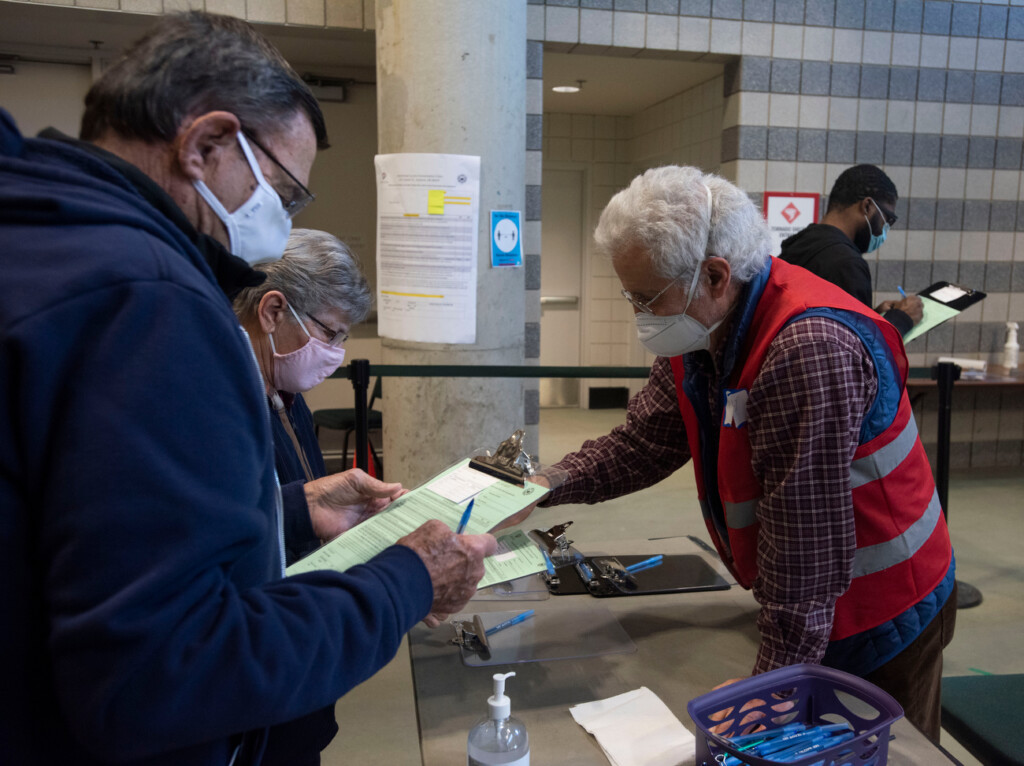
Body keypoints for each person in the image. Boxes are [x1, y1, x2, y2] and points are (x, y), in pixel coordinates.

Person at [0, 12, 495, 766]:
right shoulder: (149, 299)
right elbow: (163, 672)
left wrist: (287, 510)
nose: (284, 221)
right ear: (206, 145)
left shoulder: (41, 247)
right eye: (288, 194)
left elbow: (89, 530)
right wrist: (407, 581)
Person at [519, 166, 955, 741]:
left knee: (877, 751)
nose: (638, 314)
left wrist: (767, 699)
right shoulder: (704, 328)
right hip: (817, 593)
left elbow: (805, 559)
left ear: (716, 275)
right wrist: (540, 485)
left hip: (886, 609)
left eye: (644, 296)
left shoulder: (806, 348)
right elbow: (644, 441)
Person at [234, 228, 373, 566]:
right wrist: (307, 509)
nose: (335, 353)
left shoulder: (287, 396)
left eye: (342, 338)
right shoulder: (222, 400)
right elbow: (225, 529)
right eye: (329, 333)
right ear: (273, 312)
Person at [779, 164, 924, 337]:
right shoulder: (846, 264)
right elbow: (859, 353)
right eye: (888, 219)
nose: (886, 228)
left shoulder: (801, 243)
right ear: (868, 206)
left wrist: (873, 317)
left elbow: (828, 329)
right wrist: (902, 318)